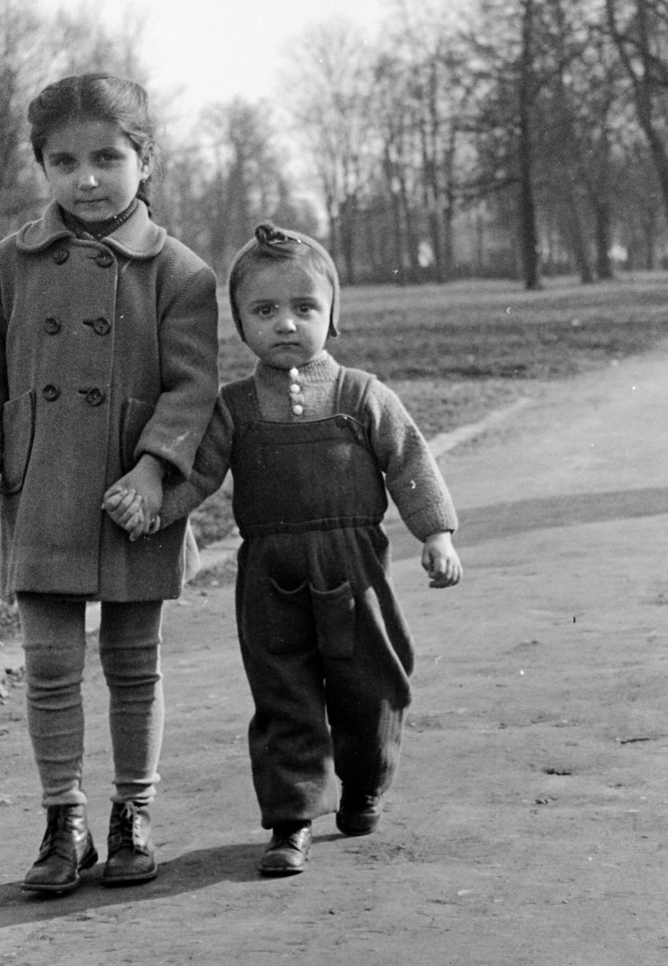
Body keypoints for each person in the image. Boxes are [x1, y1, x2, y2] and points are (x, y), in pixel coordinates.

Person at [0, 74, 219, 895]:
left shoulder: (180, 272)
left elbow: (192, 388)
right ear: (42, 167)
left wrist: (152, 468)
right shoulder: (5, 267)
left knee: (136, 665)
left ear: (145, 159)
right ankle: (62, 818)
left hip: (137, 497)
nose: (88, 178)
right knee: (49, 664)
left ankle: (133, 809)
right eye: (63, 161)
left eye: (108, 157)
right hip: (43, 488)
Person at [161, 222, 462, 878]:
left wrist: (435, 532)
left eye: (305, 308)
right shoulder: (234, 408)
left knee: (370, 688)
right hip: (271, 575)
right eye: (265, 310)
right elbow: (201, 473)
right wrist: (157, 510)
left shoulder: (362, 394)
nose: (287, 324)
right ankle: (291, 818)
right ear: (240, 322)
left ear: (332, 313)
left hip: (355, 569)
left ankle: (362, 785)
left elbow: (408, 462)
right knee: (284, 694)